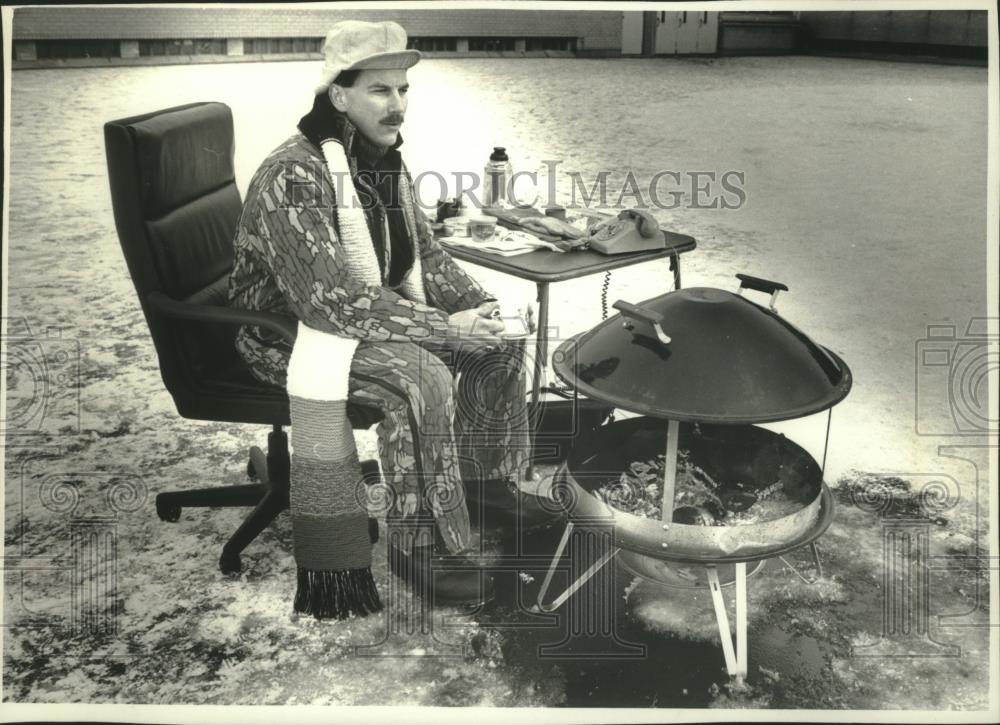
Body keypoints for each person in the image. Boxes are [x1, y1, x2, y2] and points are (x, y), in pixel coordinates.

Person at [229, 20, 551, 608]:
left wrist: (476, 308)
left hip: (354, 315)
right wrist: (439, 328)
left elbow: (423, 253)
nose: (397, 104)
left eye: (403, 90)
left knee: (498, 348)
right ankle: (420, 541)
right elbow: (330, 303)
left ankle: (481, 489)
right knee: (419, 379)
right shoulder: (293, 176)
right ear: (339, 96)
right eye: (380, 90)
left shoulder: (382, 161)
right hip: (287, 337)